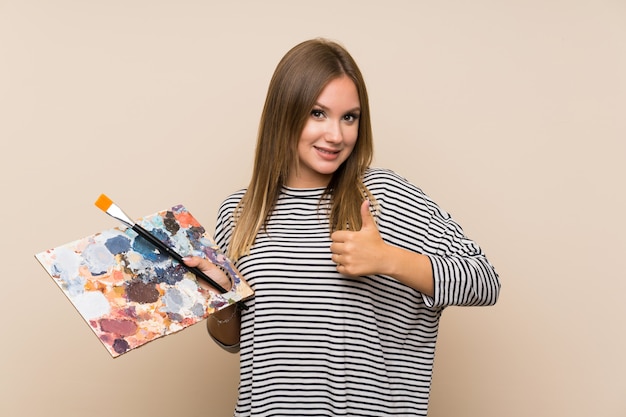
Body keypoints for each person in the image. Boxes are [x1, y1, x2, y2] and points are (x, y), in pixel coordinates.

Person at [184, 38, 500, 417]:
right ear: (283, 114)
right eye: (318, 113)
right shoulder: (240, 211)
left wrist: (387, 259)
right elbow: (237, 344)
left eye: (349, 117)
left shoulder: (382, 194)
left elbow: (484, 280)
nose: (336, 135)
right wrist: (223, 300)